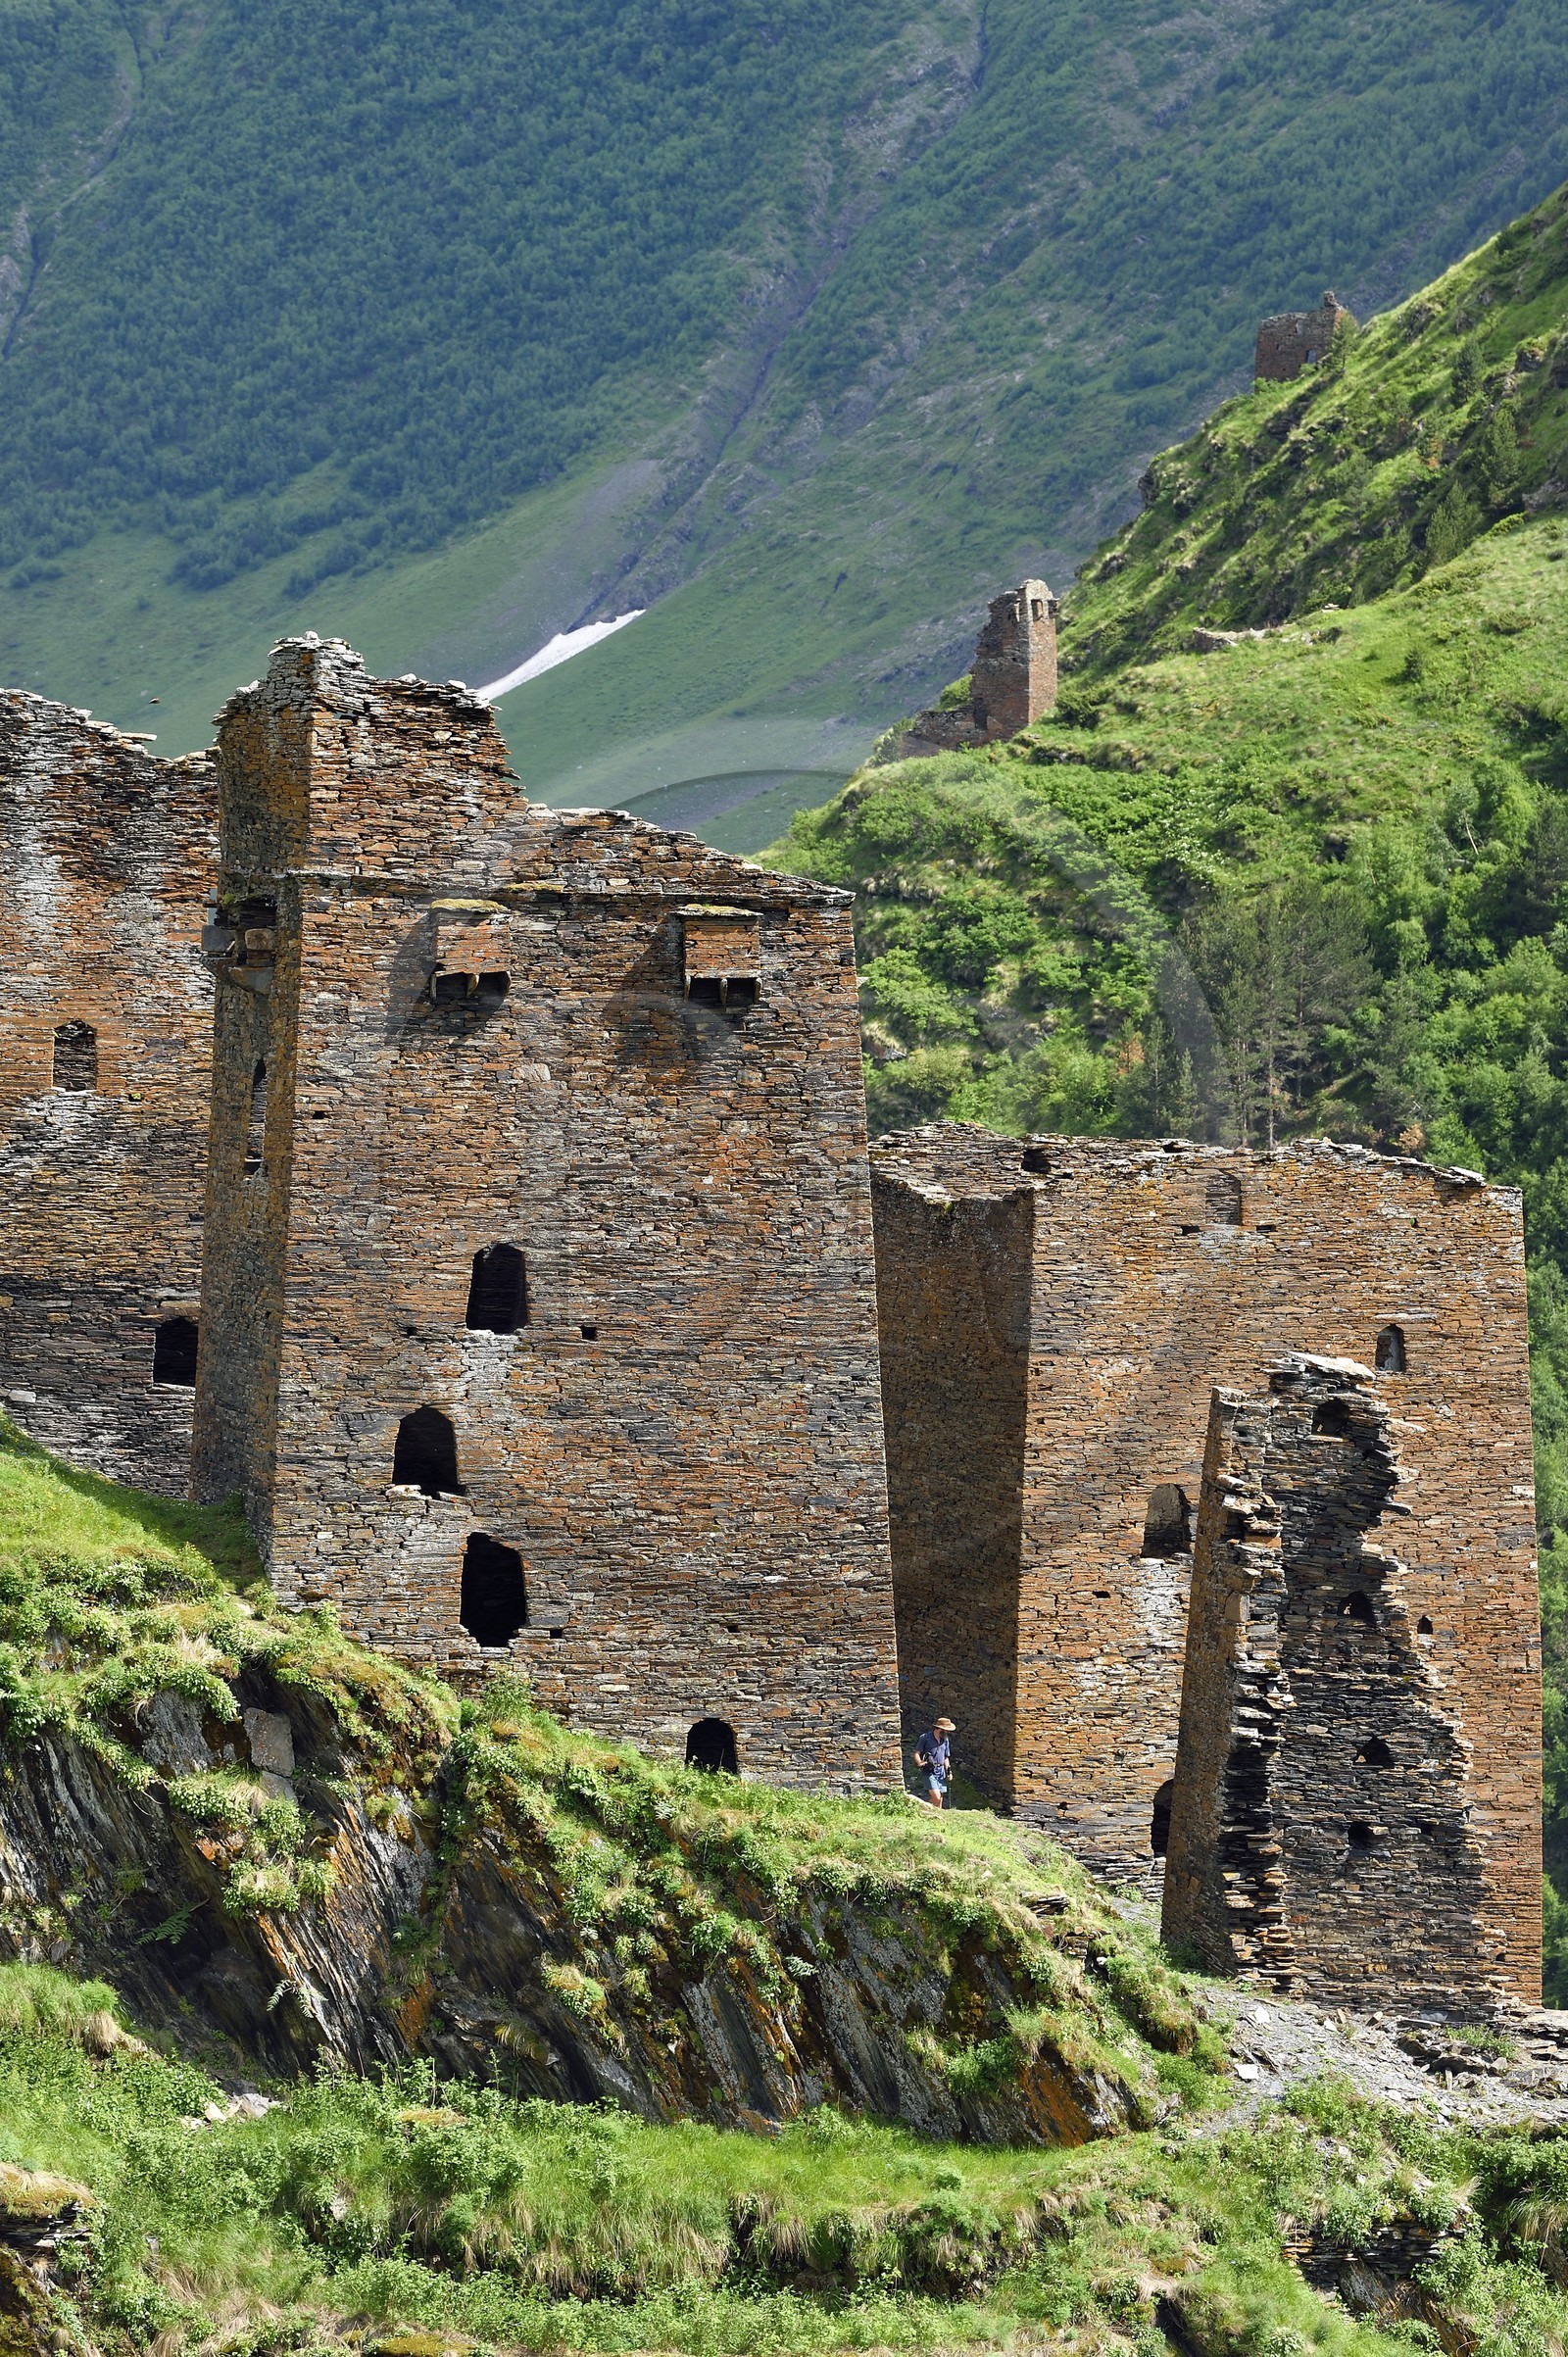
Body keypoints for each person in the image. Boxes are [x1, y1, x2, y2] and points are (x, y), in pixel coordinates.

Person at [914, 1717, 956, 1807]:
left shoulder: (945, 1740)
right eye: (946, 1730)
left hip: (941, 1772)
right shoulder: (925, 1738)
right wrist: (919, 1762)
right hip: (929, 1771)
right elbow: (917, 1753)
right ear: (940, 1728)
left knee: (939, 1800)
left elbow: (945, 1757)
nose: (947, 1732)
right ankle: (921, 1809)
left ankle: (934, 1816)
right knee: (936, 1797)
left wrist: (948, 1772)